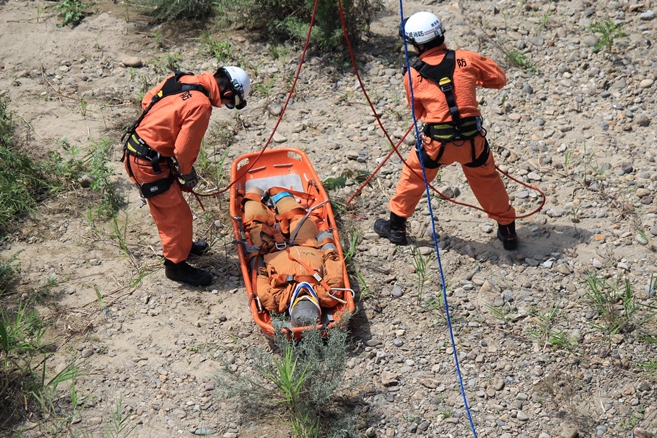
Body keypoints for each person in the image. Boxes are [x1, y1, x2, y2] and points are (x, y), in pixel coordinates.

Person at [374, 11, 518, 250]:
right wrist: (469, 80)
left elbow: (417, 113)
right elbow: (498, 79)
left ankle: (396, 227)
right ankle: (508, 231)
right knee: (488, 181)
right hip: (473, 143)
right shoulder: (467, 59)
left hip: (436, 146)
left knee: (413, 177)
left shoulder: (413, 74)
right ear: (440, 34)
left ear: (417, 43)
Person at [122, 66, 251, 286]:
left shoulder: (182, 78)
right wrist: (187, 171)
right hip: (147, 163)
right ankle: (175, 266)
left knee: (177, 209)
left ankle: (183, 246)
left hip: (142, 151)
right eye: (230, 102)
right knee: (176, 216)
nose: (225, 105)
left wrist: (160, 131)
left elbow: (148, 101)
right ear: (228, 93)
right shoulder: (200, 104)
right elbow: (184, 150)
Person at [242, 186, 345, 327]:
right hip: (308, 245)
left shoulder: (275, 300)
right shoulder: (330, 293)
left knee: (256, 225)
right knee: (299, 217)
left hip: (272, 252)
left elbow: (260, 276)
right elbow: (333, 263)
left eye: (300, 300)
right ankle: (280, 195)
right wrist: (326, 242)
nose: (303, 296)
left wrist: (255, 256)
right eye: (307, 299)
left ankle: (253, 194)